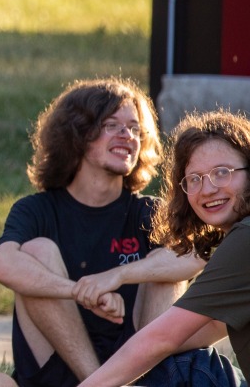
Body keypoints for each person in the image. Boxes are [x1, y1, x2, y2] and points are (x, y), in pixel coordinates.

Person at [0, 78, 217, 386]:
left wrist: (119, 276)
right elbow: (3, 265)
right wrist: (81, 291)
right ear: (78, 134)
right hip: (55, 371)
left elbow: (194, 257)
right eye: (113, 125)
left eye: (136, 129)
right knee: (36, 251)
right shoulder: (36, 209)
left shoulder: (149, 211)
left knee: (167, 265)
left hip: (134, 368)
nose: (128, 136)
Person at [81, 110, 250, 386]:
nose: (207, 189)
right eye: (195, 179)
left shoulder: (245, 239)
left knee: (182, 366)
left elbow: (163, 338)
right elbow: (209, 327)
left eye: (222, 173)